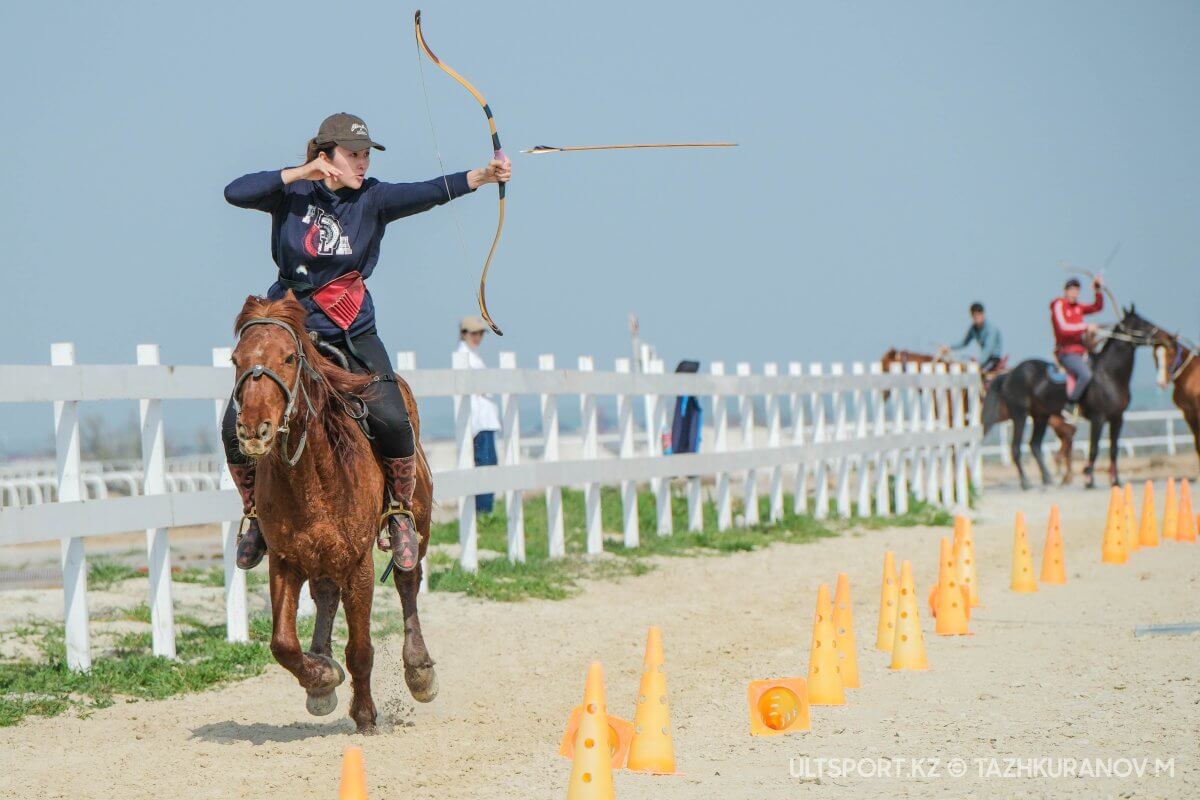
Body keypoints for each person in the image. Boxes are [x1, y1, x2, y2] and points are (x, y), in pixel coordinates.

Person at [221, 112, 512, 573]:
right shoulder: (292, 193)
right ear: (326, 156)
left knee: (393, 416)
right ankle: (256, 514)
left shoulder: (373, 198)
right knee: (235, 423)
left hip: (351, 327)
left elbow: (429, 192)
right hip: (292, 329)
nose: (362, 163)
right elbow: (235, 191)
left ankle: (397, 514)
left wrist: (481, 175)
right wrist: (301, 174)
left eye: (365, 155)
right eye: (353, 155)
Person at [455, 316, 502, 513]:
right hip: (478, 421)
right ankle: (483, 512)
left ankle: (485, 511)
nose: (477, 337)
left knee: (489, 463)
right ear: (464, 334)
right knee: (484, 464)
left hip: (485, 420)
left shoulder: (473, 356)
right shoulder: (464, 356)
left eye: (480, 333)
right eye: (473, 333)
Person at [1050, 276, 1105, 411]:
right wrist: (1085, 327)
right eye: (1071, 289)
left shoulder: (1079, 307)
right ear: (1065, 291)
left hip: (1082, 352)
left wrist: (1098, 290)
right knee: (1085, 374)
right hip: (1067, 352)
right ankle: (1070, 403)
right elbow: (1063, 328)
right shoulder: (1059, 304)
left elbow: (1096, 307)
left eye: (1077, 290)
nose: (1074, 293)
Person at [940, 302, 1004, 372]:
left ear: (983, 314)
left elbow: (988, 349)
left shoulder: (991, 329)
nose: (977, 318)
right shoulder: (973, 329)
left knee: (977, 373)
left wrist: (978, 363)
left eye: (979, 315)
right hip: (984, 360)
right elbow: (964, 343)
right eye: (974, 316)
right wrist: (949, 347)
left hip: (993, 360)